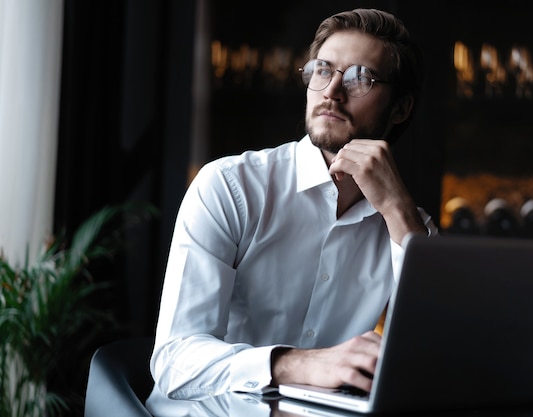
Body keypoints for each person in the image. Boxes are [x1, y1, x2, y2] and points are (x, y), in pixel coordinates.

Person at [149, 8, 438, 402]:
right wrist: (303, 364)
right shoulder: (229, 188)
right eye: (322, 70)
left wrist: (397, 209)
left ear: (401, 109)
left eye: (360, 78)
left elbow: (430, 365)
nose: (333, 91)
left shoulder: (407, 227)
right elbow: (175, 360)